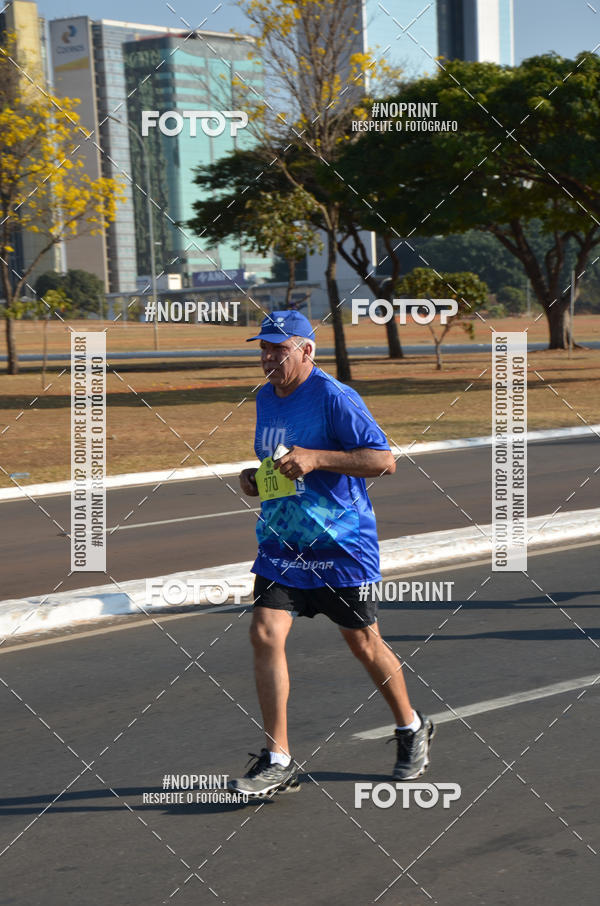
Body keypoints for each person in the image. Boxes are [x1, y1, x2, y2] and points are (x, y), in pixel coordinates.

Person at [228, 310, 434, 798]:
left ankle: (410, 726)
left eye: (279, 349)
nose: (268, 358)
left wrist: (318, 458)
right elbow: (280, 463)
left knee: (363, 643)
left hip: (340, 546)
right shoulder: (265, 397)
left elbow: (384, 460)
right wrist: (256, 479)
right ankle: (278, 759)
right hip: (283, 542)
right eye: (264, 348)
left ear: (307, 350)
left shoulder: (335, 397)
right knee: (264, 633)